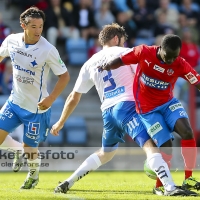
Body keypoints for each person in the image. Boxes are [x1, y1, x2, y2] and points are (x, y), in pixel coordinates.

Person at [51, 24, 193, 196]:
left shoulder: (89, 63)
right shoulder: (126, 53)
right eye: (123, 40)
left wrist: (60, 122)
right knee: (151, 146)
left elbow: (73, 97)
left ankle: (69, 181)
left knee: (106, 153)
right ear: (117, 38)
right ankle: (169, 186)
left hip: (108, 112)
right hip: (127, 106)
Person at [98, 34, 200, 194]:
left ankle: (188, 179)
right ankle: (158, 187)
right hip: (147, 110)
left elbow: (197, 81)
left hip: (168, 103)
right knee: (166, 147)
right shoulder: (144, 53)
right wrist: (108, 66)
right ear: (161, 49)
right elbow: (122, 60)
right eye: (168, 56)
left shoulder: (179, 64)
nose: (171, 60)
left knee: (187, 132)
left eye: (175, 56)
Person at [0, 6, 70, 189]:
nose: (38, 31)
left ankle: (33, 175)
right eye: (34, 26)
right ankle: (16, 150)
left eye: (40, 26)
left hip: (36, 109)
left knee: (30, 149)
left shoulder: (47, 49)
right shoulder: (11, 41)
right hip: (14, 102)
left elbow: (65, 76)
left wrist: (51, 99)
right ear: (23, 25)